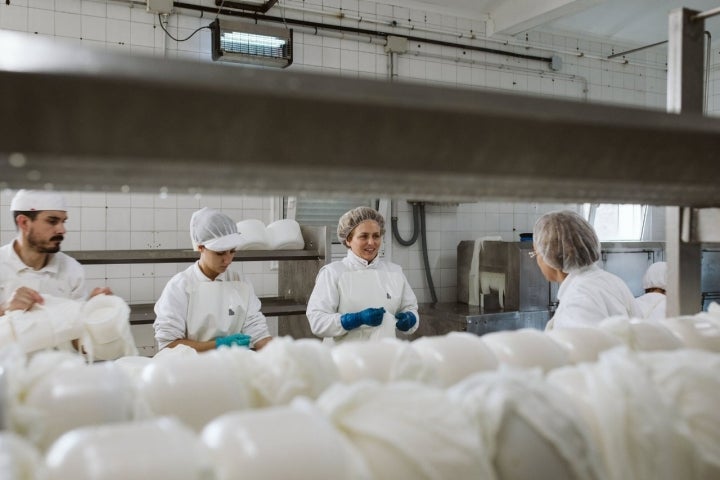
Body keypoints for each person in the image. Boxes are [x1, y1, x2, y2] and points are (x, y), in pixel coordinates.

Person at [154, 207, 272, 352]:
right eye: (220, 253)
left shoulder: (240, 282)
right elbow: (168, 345)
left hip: (230, 365)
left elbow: (257, 330)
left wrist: (279, 355)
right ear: (200, 247)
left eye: (232, 251)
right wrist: (218, 345)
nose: (228, 259)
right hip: (190, 368)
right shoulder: (180, 286)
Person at [306, 206, 419, 344]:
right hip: (342, 359)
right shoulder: (333, 273)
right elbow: (317, 321)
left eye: (376, 236)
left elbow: (410, 308)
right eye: (364, 236)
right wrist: (354, 319)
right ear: (348, 240)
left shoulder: (394, 272)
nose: (371, 242)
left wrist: (410, 318)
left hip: (383, 357)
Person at [0, 189, 112, 316]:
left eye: (63, 222)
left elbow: (76, 327)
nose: (62, 230)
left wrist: (92, 308)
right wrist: (4, 308)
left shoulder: (72, 269)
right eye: (52, 221)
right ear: (24, 223)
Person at [531, 210, 639, 330]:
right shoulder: (611, 281)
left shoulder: (578, 297)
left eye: (535, 253)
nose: (537, 260)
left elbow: (585, 346)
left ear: (551, 255)